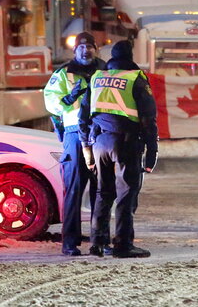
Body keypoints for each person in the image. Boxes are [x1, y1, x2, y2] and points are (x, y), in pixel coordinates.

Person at [79, 40, 158, 259]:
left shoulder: (97, 78)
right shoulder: (135, 79)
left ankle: (97, 242)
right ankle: (123, 244)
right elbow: (149, 119)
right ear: (130, 56)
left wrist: (86, 146)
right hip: (126, 142)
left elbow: (83, 117)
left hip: (100, 143)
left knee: (103, 193)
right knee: (125, 194)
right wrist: (151, 154)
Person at [42, 32, 106, 257]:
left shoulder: (106, 71)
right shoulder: (63, 74)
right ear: (74, 51)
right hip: (75, 135)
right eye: (81, 47)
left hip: (101, 135)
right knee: (74, 191)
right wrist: (69, 98)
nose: (85, 50)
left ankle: (101, 241)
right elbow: (51, 101)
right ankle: (69, 243)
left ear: (96, 49)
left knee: (103, 191)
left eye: (89, 46)